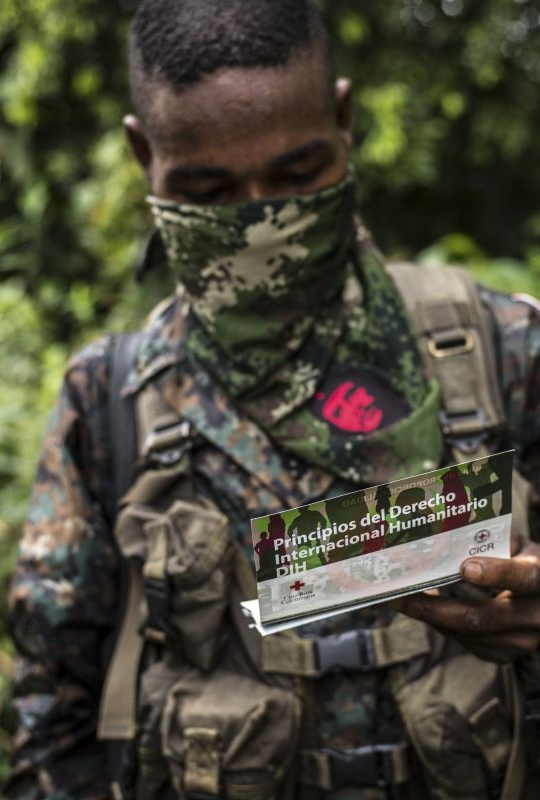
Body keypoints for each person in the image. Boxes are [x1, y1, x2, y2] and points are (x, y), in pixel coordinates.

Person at [5, 1, 540, 798]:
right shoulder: (109, 400)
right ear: (142, 154)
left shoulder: (502, 351)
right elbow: (53, 722)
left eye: (296, 177)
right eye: (209, 190)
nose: (259, 219)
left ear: (345, 120)